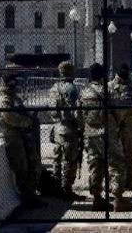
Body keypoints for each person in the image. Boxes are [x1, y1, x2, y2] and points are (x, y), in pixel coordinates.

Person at [81, 63, 132, 211]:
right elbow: (119, 110)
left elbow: (78, 114)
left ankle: (97, 198)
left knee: (95, 165)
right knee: (116, 164)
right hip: (107, 133)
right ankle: (118, 199)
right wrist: (116, 123)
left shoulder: (84, 92)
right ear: (103, 75)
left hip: (90, 134)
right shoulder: (108, 91)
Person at [0, 72, 45, 209]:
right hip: (11, 136)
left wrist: (29, 118)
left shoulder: (14, 97)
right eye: (12, 82)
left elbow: (20, 111)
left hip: (20, 134)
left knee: (31, 163)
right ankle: (26, 198)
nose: (15, 85)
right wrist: (26, 121)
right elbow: (8, 116)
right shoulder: (4, 98)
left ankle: (30, 194)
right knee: (21, 167)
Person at [49, 61, 84, 201]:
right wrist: (81, 126)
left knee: (57, 158)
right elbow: (77, 112)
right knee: (69, 160)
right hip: (69, 128)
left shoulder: (54, 88)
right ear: (71, 72)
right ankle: (66, 189)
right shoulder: (72, 89)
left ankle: (56, 186)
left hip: (57, 127)